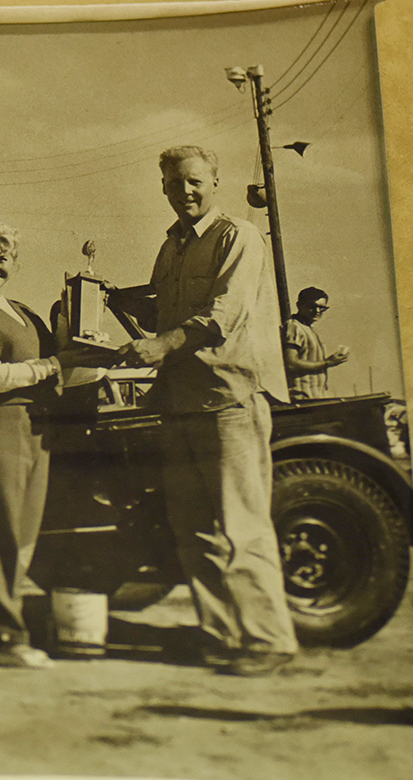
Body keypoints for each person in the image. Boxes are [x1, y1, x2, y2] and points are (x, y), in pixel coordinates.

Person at [125, 147, 298, 676]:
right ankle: (222, 635)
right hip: (179, 401)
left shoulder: (239, 237)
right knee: (192, 529)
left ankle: (270, 640)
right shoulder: (170, 246)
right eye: (174, 184)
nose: (186, 192)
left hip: (230, 399)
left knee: (242, 527)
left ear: (216, 182)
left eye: (195, 182)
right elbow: (161, 312)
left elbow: (225, 312)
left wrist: (165, 340)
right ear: (163, 189)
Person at [0, 222, 107, 668]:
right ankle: (9, 638)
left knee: (23, 536)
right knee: (0, 535)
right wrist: (54, 362)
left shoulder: (21, 310)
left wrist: (87, 337)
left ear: (14, 262)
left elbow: (63, 362)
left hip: (36, 427)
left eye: (1, 259)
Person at [282, 286, 348, 401]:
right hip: (301, 397)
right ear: (299, 305)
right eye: (312, 306)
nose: (317, 311)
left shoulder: (308, 329)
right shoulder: (293, 326)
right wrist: (327, 362)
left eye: (322, 308)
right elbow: (291, 363)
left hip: (315, 396)